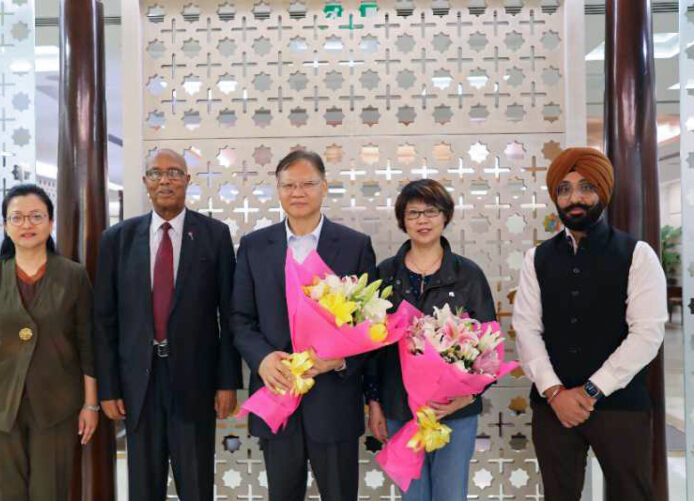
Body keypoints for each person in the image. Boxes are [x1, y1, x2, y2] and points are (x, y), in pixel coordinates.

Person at [513, 147, 667, 501]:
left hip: (620, 407)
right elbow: (526, 330)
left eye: (585, 187)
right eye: (564, 190)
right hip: (553, 409)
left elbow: (647, 333)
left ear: (602, 191)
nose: (574, 198)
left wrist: (590, 391)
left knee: (632, 494)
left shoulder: (637, 254)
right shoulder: (536, 258)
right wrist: (554, 392)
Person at [93, 149, 241, 500]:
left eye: (174, 172)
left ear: (188, 181)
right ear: (145, 182)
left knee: (196, 482)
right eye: (156, 173)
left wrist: (227, 382)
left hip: (195, 381)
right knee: (143, 485)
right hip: (137, 384)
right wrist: (108, 386)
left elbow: (230, 315)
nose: (165, 180)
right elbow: (104, 320)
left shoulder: (214, 236)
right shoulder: (117, 240)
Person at [231, 150, 376, 501]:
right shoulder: (254, 247)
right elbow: (239, 318)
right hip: (277, 395)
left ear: (324, 188)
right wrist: (263, 359)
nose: (298, 192)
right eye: (289, 185)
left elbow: (373, 327)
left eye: (308, 183)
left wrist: (340, 361)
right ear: (278, 191)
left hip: (334, 403)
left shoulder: (354, 246)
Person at [0, 184, 98, 500]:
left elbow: (89, 344)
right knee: (6, 493)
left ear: (50, 223)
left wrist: (91, 404)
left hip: (57, 406)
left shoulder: (73, 276)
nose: (27, 225)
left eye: (36, 216)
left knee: (51, 493)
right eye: (16, 218)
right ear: (5, 226)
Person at [365, 179, 495, 500]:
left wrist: (468, 396)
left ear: (445, 216)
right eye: (413, 213)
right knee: (414, 496)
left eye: (431, 211)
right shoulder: (385, 274)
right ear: (402, 220)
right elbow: (371, 349)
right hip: (399, 409)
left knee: (450, 495)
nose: (423, 220)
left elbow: (489, 348)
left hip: (454, 410)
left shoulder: (468, 274)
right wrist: (374, 403)